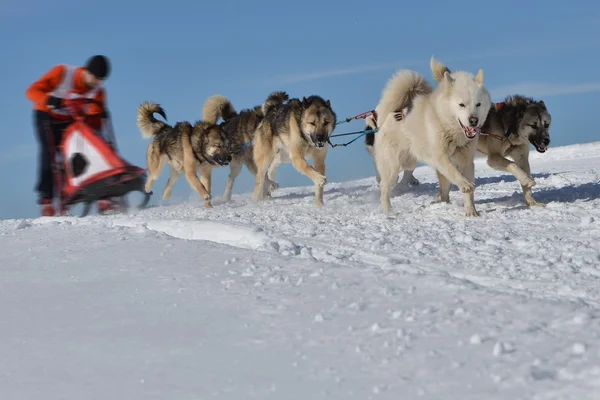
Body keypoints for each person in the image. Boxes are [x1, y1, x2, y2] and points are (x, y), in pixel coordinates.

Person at [26, 55, 118, 216]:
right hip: (47, 116)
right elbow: (32, 91)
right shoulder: (63, 72)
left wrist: (94, 137)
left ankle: (104, 197)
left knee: (95, 152)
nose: (97, 82)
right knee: (50, 153)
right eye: (95, 77)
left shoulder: (98, 92)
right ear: (86, 71)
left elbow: (96, 120)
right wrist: (49, 99)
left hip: (72, 120)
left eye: (101, 79)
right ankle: (47, 200)